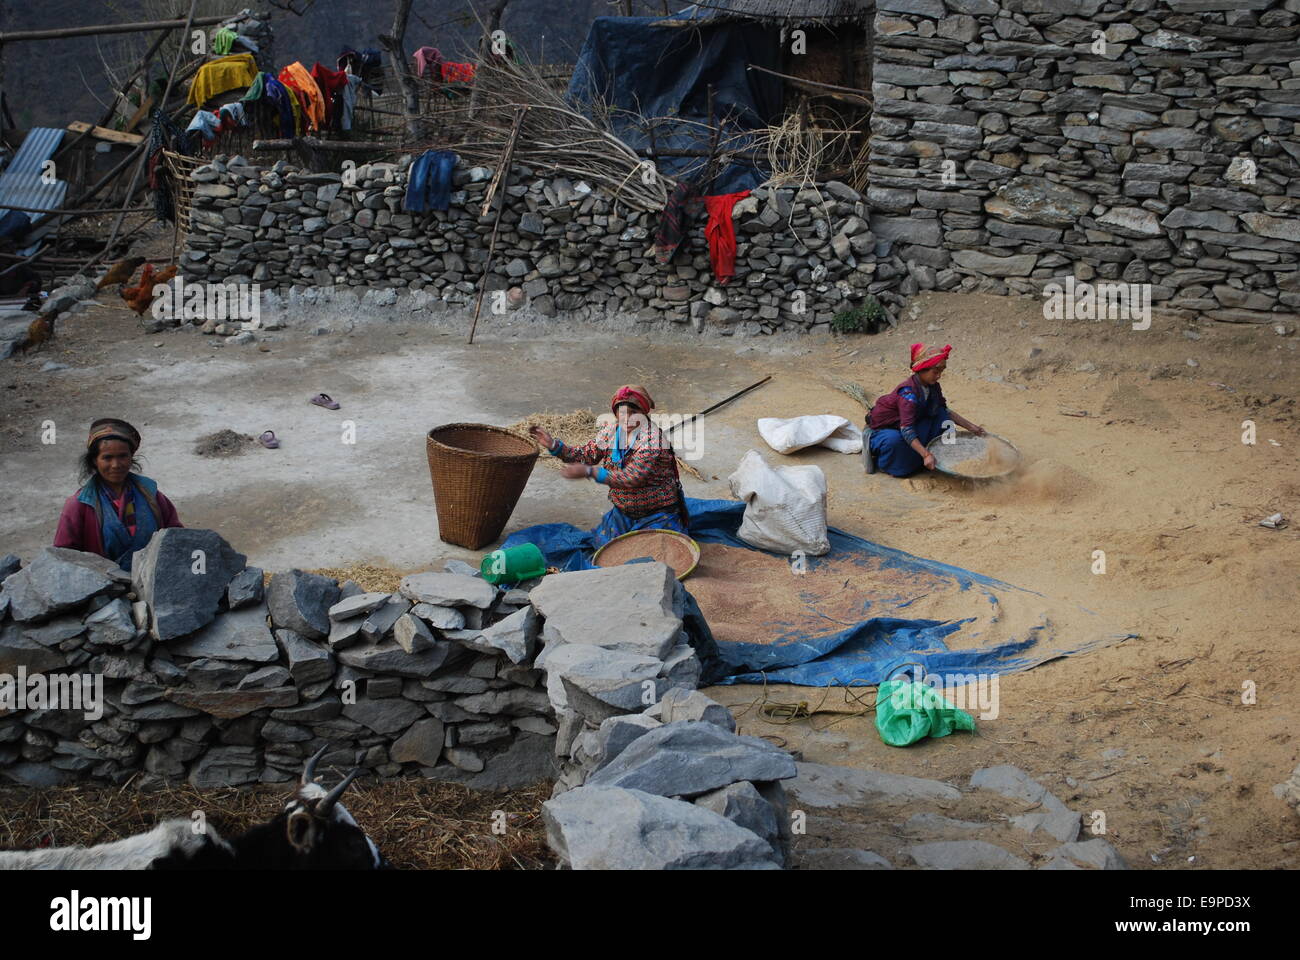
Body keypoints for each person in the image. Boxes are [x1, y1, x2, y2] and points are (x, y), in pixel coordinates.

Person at [529, 385, 689, 547]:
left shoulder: (653, 440)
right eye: (622, 413)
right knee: (605, 551)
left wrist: (590, 472)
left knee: (652, 555)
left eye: (634, 413)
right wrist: (554, 446)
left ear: (644, 413)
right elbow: (587, 454)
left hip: (657, 513)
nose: (627, 419)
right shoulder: (612, 431)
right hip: (624, 513)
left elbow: (631, 478)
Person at [54, 418, 183, 570]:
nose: (116, 465)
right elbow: (63, 556)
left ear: (131, 457)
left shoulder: (151, 495)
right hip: (104, 588)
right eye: (107, 457)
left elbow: (176, 535)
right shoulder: (79, 505)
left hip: (152, 581)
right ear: (95, 461)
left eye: (123, 456)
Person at [866, 343, 985, 477]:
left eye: (941, 372)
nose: (939, 376)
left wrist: (972, 427)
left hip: (911, 422)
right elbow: (907, 430)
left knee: (943, 418)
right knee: (895, 442)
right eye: (935, 371)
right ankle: (895, 465)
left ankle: (941, 454)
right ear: (922, 369)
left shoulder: (933, 386)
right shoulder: (908, 393)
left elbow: (945, 410)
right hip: (886, 430)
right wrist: (926, 454)